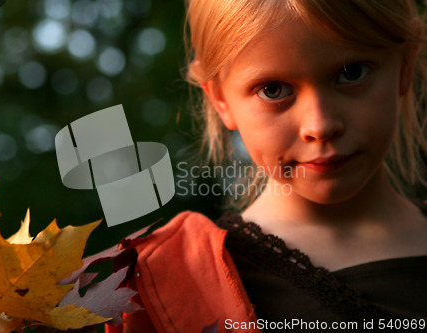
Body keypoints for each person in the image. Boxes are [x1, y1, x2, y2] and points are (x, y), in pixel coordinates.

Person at [106, 0, 427, 332]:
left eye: (352, 72)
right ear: (220, 100)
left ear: (405, 63)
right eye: (273, 90)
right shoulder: (170, 287)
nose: (319, 125)